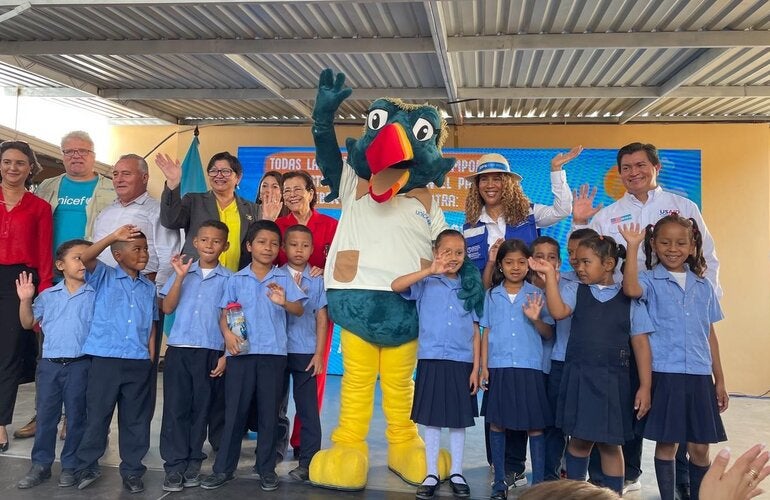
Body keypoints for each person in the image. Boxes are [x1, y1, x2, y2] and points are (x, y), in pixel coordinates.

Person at [572, 142, 723, 493]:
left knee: (680, 405)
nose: (633, 172)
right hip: (625, 314)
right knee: (636, 392)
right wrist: (579, 221)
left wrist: (702, 303)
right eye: (626, 167)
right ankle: (629, 471)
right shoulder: (607, 215)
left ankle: (686, 482)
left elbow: (708, 256)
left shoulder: (682, 207)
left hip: (675, 319)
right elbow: (585, 256)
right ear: (619, 172)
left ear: (656, 167)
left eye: (641, 165)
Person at [463, 149, 578, 488]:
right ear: (477, 185)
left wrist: (556, 171)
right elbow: (477, 280)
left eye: (498, 177)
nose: (491, 184)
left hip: (533, 313)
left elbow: (563, 210)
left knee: (536, 406)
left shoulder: (528, 213)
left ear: (509, 182)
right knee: (500, 408)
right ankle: (506, 469)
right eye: (485, 179)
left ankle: (542, 473)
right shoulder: (470, 226)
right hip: (499, 315)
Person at [529, 235, 652, 496]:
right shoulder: (575, 290)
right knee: (579, 441)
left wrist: (645, 386)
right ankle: (575, 493)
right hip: (580, 377)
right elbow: (559, 311)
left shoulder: (629, 299)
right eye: (578, 262)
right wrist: (550, 277)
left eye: (586, 262)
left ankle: (614, 495)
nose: (579, 267)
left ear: (608, 264)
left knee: (611, 445)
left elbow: (641, 345)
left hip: (614, 382)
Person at [620, 217, 727, 500]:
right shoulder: (647, 281)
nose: (672, 248)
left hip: (700, 374)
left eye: (681, 243)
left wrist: (720, 379)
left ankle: (697, 496)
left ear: (692, 246)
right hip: (664, 373)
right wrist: (632, 247)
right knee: (667, 443)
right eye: (665, 242)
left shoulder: (703, 287)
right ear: (653, 244)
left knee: (700, 447)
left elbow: (710, 334)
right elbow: (629, 289)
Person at [200, 220, 306, 492]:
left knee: (270, 414)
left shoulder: (284, 278)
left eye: (273, 243)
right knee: (233, 413)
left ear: (279, 248)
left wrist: (284, 302)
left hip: (273, 356)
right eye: (261, 242)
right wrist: (227, 336)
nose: (267, 247)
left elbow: (298, 310)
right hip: (241, 355)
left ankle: (266, 469)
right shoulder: (236, 279)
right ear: (249, 246)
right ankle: (223, 468)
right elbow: (223, 314)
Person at [25, 130, 113, 442]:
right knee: (50, 352)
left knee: (83, 354)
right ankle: (45, 412)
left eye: (82, 151)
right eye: (69, 151)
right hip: (53, 279)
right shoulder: (49, 186)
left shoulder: (108, 189)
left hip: (91, 281)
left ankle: (74, 417)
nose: (76, 156)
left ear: (93, 154)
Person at [391, 229, 482, 500]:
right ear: (435, 252)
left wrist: (476, 367)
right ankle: (431, 473)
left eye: (459, 252)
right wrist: (429, 270)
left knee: (458, 420)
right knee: (431, 419)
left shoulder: (471, 287)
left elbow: (476, 330)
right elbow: (396, 285)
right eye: (447, 251)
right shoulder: (426, 282)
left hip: (461, 361)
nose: (453, 257)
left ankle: (456, 472)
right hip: (430, 358)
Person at [73, 225, 157, 494]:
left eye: (145, 249)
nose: (143, 254)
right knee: (97, 415)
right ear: (118, 255)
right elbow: (86, 257)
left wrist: (150, 358)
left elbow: (151, 326)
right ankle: (86, 465)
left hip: (138, 361)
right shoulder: (104, 276)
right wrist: (112, 237)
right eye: (136, 249)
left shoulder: (148, 287)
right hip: (106, 359)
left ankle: (132, 470)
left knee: (135, 419)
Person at [157, 220, 231, 492]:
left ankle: (192, 461)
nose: (209, 245)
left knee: (202, 409)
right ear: (196, 243)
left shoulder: (231, 279)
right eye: (204, 239)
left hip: (211, 352)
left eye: (216, 241)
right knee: (176, 409)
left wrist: (226, 356)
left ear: (226, 246)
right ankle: (174, 466)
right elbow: (167, 306)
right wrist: (178, 277)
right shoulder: (183, 273)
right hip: (179, 350)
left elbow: (233, 320)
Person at [14, 240, 94, 489]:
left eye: (87, 259)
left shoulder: (95, 293)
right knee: (46, 417)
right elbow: (28, 323)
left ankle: (70, 465)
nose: (83, 264)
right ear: (61, 265)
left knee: (77, 417)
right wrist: (25, 300)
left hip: (81, 364)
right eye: (77, 258)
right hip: (49, 365)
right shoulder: (48, 296)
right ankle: (41, 465)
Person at [481, 239, 554, 499]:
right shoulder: (492, 295)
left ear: (529, 264)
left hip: (529, 367)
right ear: (500, 264)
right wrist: (483, 367)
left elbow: (548, 333)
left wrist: (535, 320)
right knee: (498, 424)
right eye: (509, 262)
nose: (515, 267)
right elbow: (486, 331)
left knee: (535, 426)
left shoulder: (538, 294)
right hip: (499, 368)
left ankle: (541, 485)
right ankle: (499, 482)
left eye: (521, 262)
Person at [274, 170, 338, 460]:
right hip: (279, 311)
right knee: (275, 379)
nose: (292, 195)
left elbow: (343, 264)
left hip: (317, 314)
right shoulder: (278, 225)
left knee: (313, 378)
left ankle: (303, 443)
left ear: (312, 192)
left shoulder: (331, 225)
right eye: (287, 190)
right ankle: (275, 440)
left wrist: (328, 271)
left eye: (298, 189)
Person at [0, 140, 52, 452]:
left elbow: (45, 252)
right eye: (7, 162)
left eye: (20, 163)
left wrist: (42, 293)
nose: (12, 168)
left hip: (19, 281)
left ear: (30, 167)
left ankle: (0, 424)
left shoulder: (40, 208)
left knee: (7, 356)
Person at [535, 229, 598, 482]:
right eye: (570, 253)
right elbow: (554, 318)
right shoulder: (561, 281)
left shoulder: (608, 284)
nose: (575, 258)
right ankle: (550, 479)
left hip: (593, 366)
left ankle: (592, 481)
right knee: (555, 425)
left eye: (581, 254)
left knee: (590, 428)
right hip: (561, 362)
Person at [279, 224, 328, 482]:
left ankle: (308, 462)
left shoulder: (317, 280)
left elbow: (322, 318)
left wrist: (319, 353)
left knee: (308, 409)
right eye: (293, 244)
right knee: (273, 406)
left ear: (312, 250)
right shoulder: (274, 277)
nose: (299, 250)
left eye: (305, 245)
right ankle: (271, 454)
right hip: (276, 352)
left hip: (306, 351)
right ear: (284, 247)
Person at [156, 151, 260, 272]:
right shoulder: (193, 200)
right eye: (214, 171)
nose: (219, 175)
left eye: (226, 171)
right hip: (196, 276)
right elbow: (170, 221)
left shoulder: (251, 209)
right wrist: (173, 182)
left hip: (236, 278)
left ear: (238, 177)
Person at [92, 154, 180, 292]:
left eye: (126, 174)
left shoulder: (157, 210)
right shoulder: (105, 212)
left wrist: (159, 292)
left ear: (144, 178)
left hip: (139, 287)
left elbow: (168, 254)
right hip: (101, 287)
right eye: (115, 174)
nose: (119, 179)